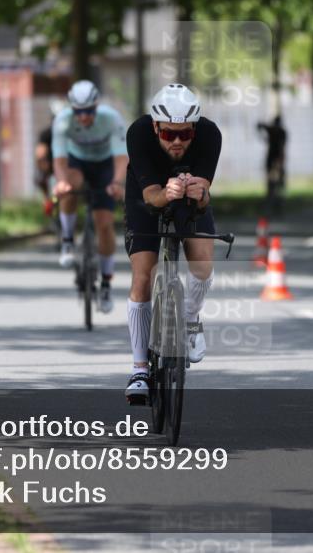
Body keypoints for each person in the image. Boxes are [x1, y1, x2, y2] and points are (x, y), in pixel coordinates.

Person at [122, 83, 221, 404]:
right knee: (143, 276)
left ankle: (190, 319)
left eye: (184, 134)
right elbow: (151, 196)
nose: (177, 142)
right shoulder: (138, 133)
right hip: (147, 195)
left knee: (203, 262)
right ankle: (139, 369)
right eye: (168, 135)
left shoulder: (209, 134)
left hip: (186, 198)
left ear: (194, 129)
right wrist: (167, 193)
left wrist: (199, 193)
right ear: (155, 127)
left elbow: (205, 194)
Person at [51, 80, 128, 313]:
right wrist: (62, 182)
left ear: (97, 106)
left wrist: (115, 183)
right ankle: (67, 240)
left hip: (105, 165)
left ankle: (105, 284)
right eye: (79, 112)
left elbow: (121, 158)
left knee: (104, 224)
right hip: (77, 163)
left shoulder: (111, 119)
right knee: (68, 187)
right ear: (72, 109)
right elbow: (60, 160)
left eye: (89, 111)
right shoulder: (62, 121)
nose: (84, 117)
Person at [257, 115, 287, 215]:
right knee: (274, 184)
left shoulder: (275, 131)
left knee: (275, 184)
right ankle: (274, 206)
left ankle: (276, 206)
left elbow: (260, 125)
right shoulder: (280, 131)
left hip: (275, 161)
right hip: (275, 161)